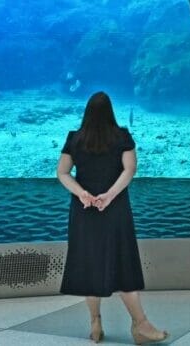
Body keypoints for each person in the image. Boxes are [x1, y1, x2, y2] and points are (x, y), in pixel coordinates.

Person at [57, 91, 168, 345]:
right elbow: (130, 169)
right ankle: (141, 325)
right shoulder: (122, 137)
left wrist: (83, 194)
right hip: (114, 211)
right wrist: (109, 195)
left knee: (89, 267)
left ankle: (95, 323)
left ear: (87, 113)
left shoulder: (74, 139)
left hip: (84, 212)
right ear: (111, 112)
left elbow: (62, 173)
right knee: (123, 266)